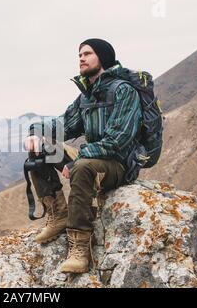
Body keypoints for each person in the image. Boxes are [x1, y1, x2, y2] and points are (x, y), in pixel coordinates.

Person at [25, 38, 142, 273]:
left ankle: (79, 247)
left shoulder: (124, 91)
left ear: (103, 58)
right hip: (91, 159)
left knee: (82, 167)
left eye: (87, 53)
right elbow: (63, 125)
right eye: (79, 54)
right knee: (40, 152)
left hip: (117, 166)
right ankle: (57, 214)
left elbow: (118, 139)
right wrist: (35, 133)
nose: (81, 57)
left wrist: (79, 158)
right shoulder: (87, 96)